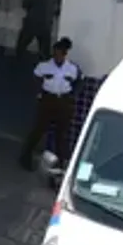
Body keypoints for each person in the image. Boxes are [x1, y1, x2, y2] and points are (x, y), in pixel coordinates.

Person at [19, 37, 81, 172]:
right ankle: (25, 157)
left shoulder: (72, 68)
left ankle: (61, 164)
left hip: (63, 101)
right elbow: (35, 78)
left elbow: (77, 82)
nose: (57, 57)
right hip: (48, 99)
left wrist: (72, 97)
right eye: (56, 54)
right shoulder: (44, 66)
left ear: (65, 54)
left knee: (62, 133)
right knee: (39, 129)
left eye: (60, 54)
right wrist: (39, 92)